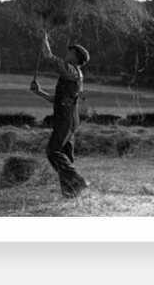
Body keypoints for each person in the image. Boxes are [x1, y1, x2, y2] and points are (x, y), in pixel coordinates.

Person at [27, 31, 91, 198]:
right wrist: (39, 92)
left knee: (53, 151)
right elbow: (58, 99)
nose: (67, 53)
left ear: (76, 57)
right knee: (66, 157)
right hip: (68, 118)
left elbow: (49, 57)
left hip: (66, 119)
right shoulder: (74, 75)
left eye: (70, 52)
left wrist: (44, 38)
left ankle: (78, 180)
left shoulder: (71, 70)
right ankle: (71, 193)